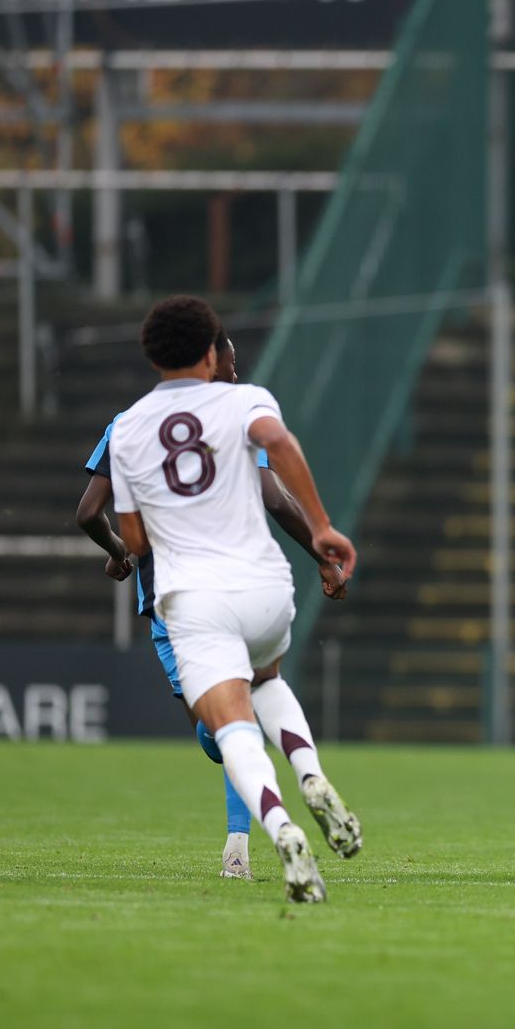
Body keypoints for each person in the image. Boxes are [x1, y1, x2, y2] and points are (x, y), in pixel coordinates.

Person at [109, 295, 362, 903]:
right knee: (267, 682)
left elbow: (136, 539)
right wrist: (323, 528)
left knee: (232, 728)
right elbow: (278, 443)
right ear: (210, 351)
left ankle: (282, 832)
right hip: (265, 587)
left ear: (153, 358)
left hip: (193, 599)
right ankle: (311, 774)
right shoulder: (245, 398)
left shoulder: (127, 430)